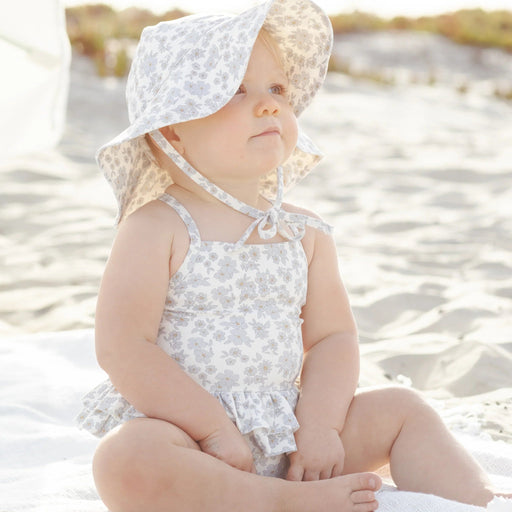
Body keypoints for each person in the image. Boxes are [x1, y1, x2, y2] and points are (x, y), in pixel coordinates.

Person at [76, 1, 511, 511]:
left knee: (403, 409)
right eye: (236, 90)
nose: (269, 106)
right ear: (172, 126)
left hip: (294, 430)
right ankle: (274, 501)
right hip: (195, 437)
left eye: (277, 89)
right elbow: (124, 346)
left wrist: (321, 427)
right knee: (125, 457)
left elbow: (332, 337)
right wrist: (213, 429)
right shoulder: (156, 226)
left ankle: (478, 499)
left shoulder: (304, 232)